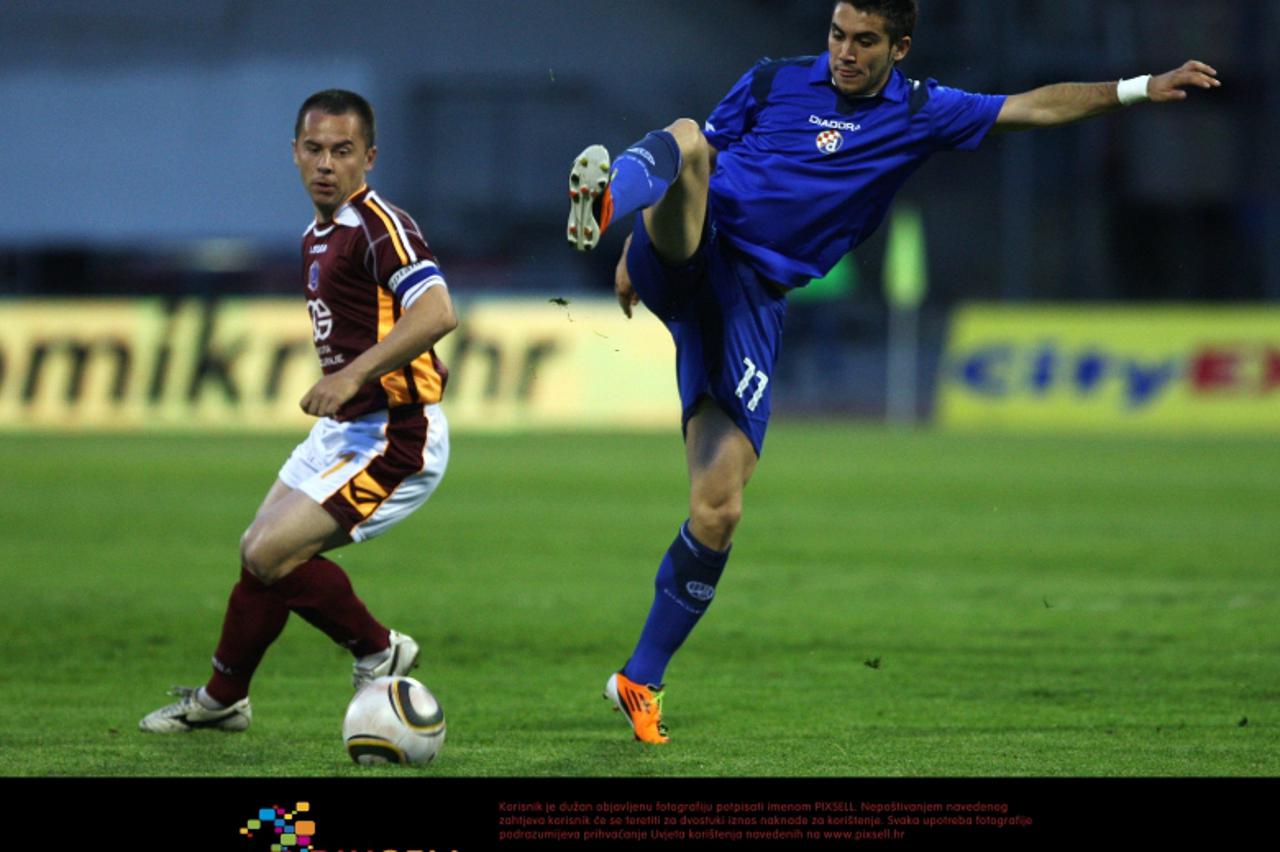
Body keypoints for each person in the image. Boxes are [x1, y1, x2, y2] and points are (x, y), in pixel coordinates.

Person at [566, 0, 1219, 744]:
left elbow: (1031, 108)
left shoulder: (921, 111)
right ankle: (610, 193)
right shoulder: (772, 82)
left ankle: (639, 678)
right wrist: (629, 245)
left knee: (719, 507)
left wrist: (1138, 87)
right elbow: (702, 159)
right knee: (685, 136)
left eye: (864, 41)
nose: (845, 52)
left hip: (750, 303)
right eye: (838, 35)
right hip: (695, 248)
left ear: (898, 47)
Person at [141, 89, 457, 732]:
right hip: (344, 429)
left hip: (397, 432)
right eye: (313, 149)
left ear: (368, 157)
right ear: (293, 153)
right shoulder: (318, 234)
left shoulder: (378, 227)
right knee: (259, 555)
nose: (325, 164)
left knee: (268, 553)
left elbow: (438, 311)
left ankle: (377, 647)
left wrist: (353, 375)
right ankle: (223, 701)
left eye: (342, 151)